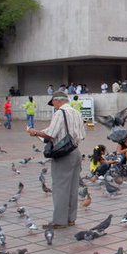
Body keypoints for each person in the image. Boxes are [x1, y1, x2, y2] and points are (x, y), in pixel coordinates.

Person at [27, 91, 85, 228]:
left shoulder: (60, 113)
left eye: (53, 102)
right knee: (73, 187)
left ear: (58, 101)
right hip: (76, 152)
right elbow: (82, 135)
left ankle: (59, 221)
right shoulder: (76, 113)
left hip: (63, 154)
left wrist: (34, 132)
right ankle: (71, 218)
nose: (53, 105)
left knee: (60, 187)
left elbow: (50, 134)